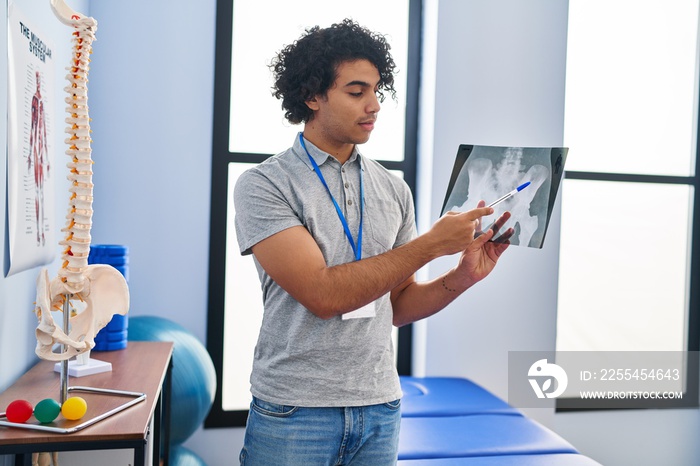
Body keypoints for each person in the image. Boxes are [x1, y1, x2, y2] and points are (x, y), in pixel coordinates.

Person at [233, 19, 513, 466]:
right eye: (357, 91)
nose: (375, 105)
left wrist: (460, 277)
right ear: (312, 97)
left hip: (380, 408)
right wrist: (430, 245)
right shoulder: (265, 185)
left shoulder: (393, 189)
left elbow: (398, 306)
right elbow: (323, 295)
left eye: (377, 91)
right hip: (295, 411)